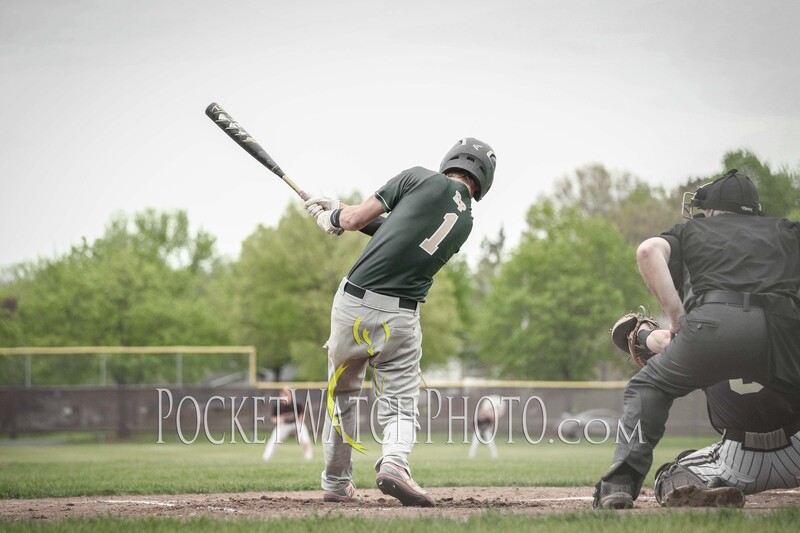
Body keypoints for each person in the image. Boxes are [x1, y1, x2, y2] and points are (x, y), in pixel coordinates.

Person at [304, 138, 497, 506]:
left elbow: (355, 221)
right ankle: (394, 462)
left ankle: (335, 482)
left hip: (352, 304)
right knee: (401, 403)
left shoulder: (418, 176)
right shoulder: (466, 222)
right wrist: (341, 208)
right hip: (400, 317)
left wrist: (332, 216)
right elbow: (398, 234)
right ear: (482, 180)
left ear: (449, 161)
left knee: (342, 396)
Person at [593, 169, 800, 510]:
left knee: (648, 389)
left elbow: (647, 252)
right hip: (781, 329)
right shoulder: (785, 230)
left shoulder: (695, 231)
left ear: (714, 211)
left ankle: (620, 483)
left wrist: (674, 319)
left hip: (713, 329)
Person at [619, 327, 800, 507]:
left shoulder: (704, 339)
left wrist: (642, 333)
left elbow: (661, 340)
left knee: (670, 472)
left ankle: (691, 488)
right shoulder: (786, 328)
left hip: (739, 459)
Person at [262, 388, 314, 462]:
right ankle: (266, 458)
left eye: (287, 395)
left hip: (296, 424)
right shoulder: (277, 405)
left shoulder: (297, 403)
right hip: (284, 425)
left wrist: (300, 424)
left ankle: (309, 458)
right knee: (273, 441)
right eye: (283, 395)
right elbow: (273, 418)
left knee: (305, 440)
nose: (285, 397)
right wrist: (279, 420)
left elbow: (302, 415)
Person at [468, 395, 506, 459]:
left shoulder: (489, 418)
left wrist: (489, 428)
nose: (483, 412)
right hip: (479, 431)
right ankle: (472, 455)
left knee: (491, 442)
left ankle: (494, 454)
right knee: (475, 443)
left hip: (486, 431)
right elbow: (474, 425)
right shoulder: (478, 418)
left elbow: (491, 425)